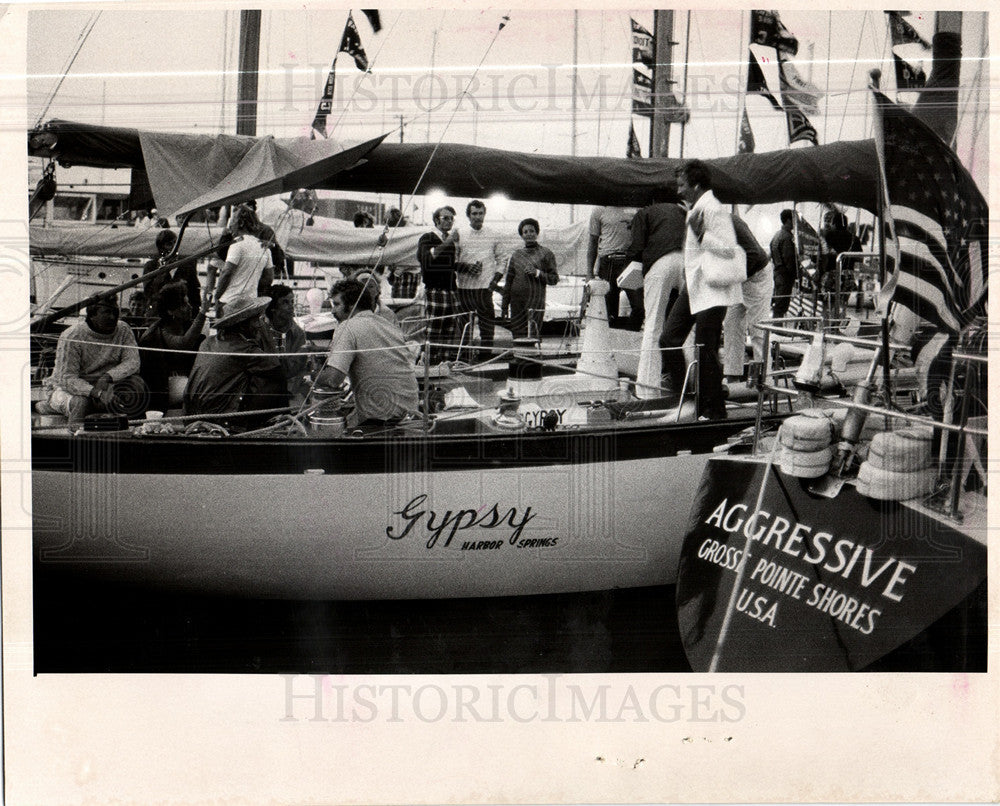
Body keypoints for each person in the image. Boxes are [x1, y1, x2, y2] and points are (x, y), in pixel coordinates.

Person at [660, 160, 742, 421]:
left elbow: (729, 248)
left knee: (704, 350)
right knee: (669, 339)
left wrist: (702, 233)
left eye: (682, 185)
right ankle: (686, 397)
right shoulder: (697, 206)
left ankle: (714, 410)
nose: (678, 190)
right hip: (696, 287)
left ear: (695, 185)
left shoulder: (714, 209)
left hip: (713, 289)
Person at [315, 278, 419, 427]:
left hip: (380, 419)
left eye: (336, 304)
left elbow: (333, 379)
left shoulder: (347, 327)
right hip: (409, 411)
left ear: (352, 306)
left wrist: (313, 377)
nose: (332, 311)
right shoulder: (387, 325)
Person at [37, 296, 146, 425]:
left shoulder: (123, 329)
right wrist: (97, 393)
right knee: (82, 403)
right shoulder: (72, 335)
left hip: (106, 384)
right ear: (92, 316)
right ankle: (73, 436)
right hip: (66, 388)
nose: (113, 317)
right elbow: (67, 379)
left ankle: (128, 434)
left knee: (137, 384)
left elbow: (133, 362)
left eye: (115, 312)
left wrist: (106, 377)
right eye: (107, 313)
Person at [184, 294, 288, 427]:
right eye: (255, 320)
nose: (258, 325)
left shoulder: (207, 342)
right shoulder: (244, 349)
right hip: (215, 419)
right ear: (242, 325)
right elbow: (279, 370)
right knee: (273, 381)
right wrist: (266, 337)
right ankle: (278, 421)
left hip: (190, 415)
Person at [624, 196, 687, 398]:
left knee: (652, 326)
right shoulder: (684, 211)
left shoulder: (645, 212)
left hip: (660, 263)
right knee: (689, 328)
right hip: (686, 262)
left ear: (649, 200)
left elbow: (637, 247)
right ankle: (691, 385)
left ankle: (647, 391)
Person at [138, 281, 210, 412]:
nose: (190, 307)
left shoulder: (185, 325)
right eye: (184, 304)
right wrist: (203, 313)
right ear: (170, 311)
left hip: (186, 381)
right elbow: (182, 345)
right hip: (166, 389)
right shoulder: (156, 334)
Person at [723, 215, 773, 387]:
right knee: (731, 325)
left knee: (758, 329)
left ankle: (766, 380)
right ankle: (732, 377)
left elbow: (753, 254)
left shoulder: (731, 221)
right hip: (742, 277)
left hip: (757, 275)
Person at [455, 200, 505, 356]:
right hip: (464, 288)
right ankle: (463, 355)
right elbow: (452, 261)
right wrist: (467, 267)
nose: (477, 217)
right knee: (464, 325)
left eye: (480, 213)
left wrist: (494, 281)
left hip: (485, 289)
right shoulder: (460, 234)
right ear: (468, 216)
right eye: (474, 214)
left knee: (487, 326)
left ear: (484, 214)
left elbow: (502, 259)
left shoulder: (494, 234)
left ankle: (485, 356)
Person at [416, 205, 462, 363]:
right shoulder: (427, 238)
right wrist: (448, 241)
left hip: (451, 290)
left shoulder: (449, 242)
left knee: (449, 332)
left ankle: (443, 366)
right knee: (433, 331)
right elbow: (427, 259)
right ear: (436, 220)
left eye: (451, 218)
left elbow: (449, 265)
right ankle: (429, 365)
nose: (450, 221)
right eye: (446, 218)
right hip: (435, 290)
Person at [501, 218, 558, 340]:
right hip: (516, 303)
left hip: (535, 301)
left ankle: (532, 358)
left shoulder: (546, 253)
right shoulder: (516, 255)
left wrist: (537, 273)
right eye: (525, 232)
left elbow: (554, 279)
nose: (529, 234)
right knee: (517, 334)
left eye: (531, 231)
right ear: (522, 235)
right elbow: (508, 282)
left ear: (537, 233)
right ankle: (518, 358)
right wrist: (504, 306)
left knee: (533, 333)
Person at [212, 205, 274, 315]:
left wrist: (216, 296)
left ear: (241, 223)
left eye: (233, 221)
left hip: (229, 301)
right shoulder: (264, 247)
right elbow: (269, 278)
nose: (230, 226)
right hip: (250, 303)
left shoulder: (237, 245)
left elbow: (226, 272)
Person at [588, 205, 640, 329]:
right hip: (608, 263)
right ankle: (610, 341)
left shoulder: (637, 208)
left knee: (639, 306)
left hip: (630, 263)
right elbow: (592, 242)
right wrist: (589, 272)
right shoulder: (598, 210)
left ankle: (629, 338)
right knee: (609, 310)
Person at [265, 284, 313, 398]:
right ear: (273, 309)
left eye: (292, 302)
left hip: (290, 392)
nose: (291, 306)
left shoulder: (298, 333)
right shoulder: (260, 331)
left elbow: (296, 369)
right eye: (285, 302)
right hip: (263, 390)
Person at [142, 228, 201, 313]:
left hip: (181, 316)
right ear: (161, 248)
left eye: (175, 244)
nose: (175, 248)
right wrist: (163, 272)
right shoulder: (151, 267)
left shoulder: (187, 267)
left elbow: (195, 294)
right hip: (158, 314)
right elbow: (148, 293)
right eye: (170, 244)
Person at [769, 208, 798, 317]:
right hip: (785, 275)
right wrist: (795, 274)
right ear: (788, 220)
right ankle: (778, 330)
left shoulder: (777, 235)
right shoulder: (787, 238)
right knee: (781, 305)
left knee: (778, 302)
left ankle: (778, 328)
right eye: (793, 220)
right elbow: (789, 259)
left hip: (777, 273)